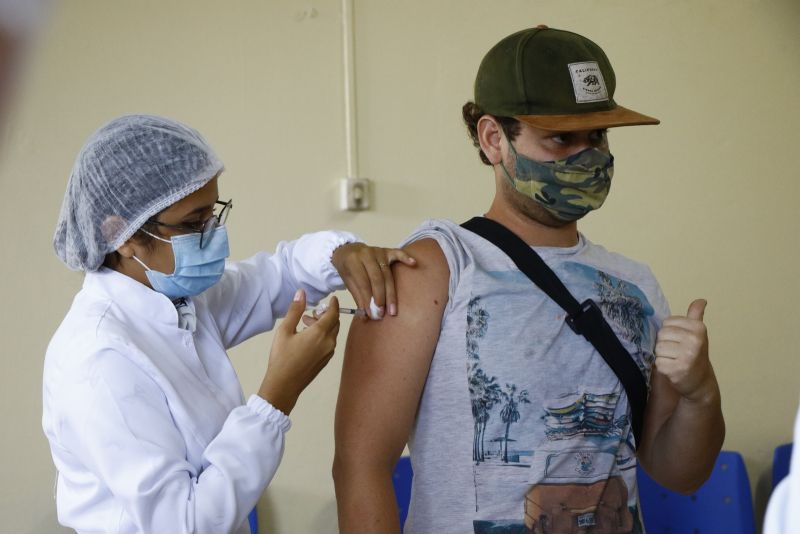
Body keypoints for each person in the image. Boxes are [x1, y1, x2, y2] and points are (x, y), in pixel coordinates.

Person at [333, 26, 725, 533]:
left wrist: (700, 393)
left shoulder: (634, 286)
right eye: (561, 137)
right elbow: (360, 466)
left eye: (598, 136)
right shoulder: (434, 268)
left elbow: (679, 472)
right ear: (493, 138)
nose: (587, 156)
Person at [42, 114, 414, 533]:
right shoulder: (99, 359)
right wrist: (278, 395)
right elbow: (185, 524)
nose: (213, 234)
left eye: (213, 214)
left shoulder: (176, 299)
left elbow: (280, 274)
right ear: (121, 235)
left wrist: (340, 254)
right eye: (193, 224)